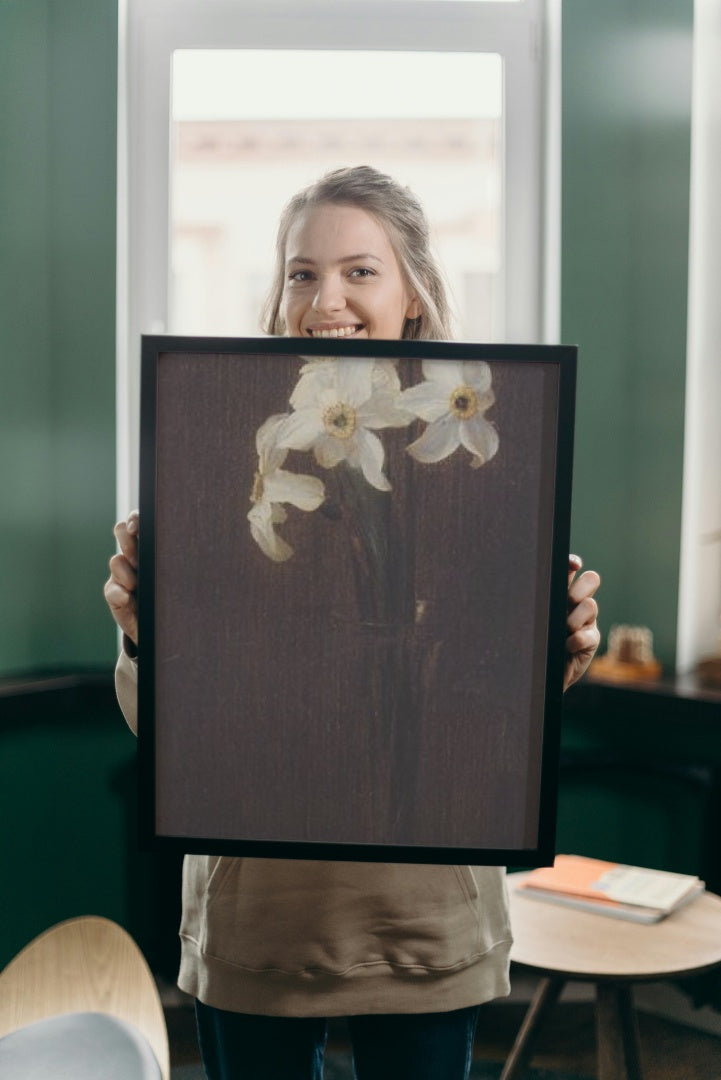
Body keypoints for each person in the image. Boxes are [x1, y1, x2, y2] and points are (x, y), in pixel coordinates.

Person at [105, 166, 601, 1080]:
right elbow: (170, 726)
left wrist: (555, 650)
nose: (324, 298)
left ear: (412, 291)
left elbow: (488, 706)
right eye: (301, 272)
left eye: (359, 271)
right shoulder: (217, 444)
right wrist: (145, 636)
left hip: (423, 914)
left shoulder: (487, 456)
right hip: (260, 915)